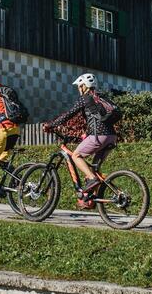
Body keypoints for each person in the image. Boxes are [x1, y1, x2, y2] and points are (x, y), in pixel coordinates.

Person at [43, 73, 118, 208]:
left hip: (98, 135)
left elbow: (69, 114)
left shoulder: (85, 98)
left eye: (79, 86)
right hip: (111, 137)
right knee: (94, 168)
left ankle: (91, 179)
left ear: (84, 86)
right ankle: (90, 200)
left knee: (77, 156)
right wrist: (85, 135)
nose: (78, 88)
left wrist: (51, 124)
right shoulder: (100, 97)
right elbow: (97, 119)